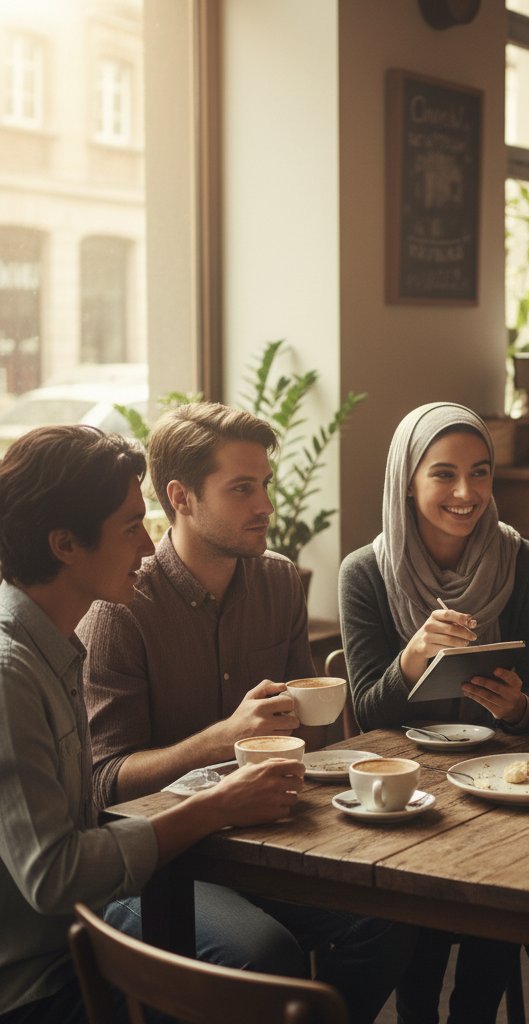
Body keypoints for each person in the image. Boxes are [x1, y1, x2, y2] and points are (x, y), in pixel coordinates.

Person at [79, 403, 412, 1024]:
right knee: (266, 956)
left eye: (265, 485)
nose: (265, 505)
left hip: (266, 841)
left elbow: (304, 742)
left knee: (392, 915)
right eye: (241, 489)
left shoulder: (280, 582)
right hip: (156, 862)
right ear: (181, 496)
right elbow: (105, 783)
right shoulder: (121, 609)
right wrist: (221, 739)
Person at [0, 426, 306, 1024]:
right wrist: (215, 806)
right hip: (44, 983)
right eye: (130, 527)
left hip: (86, 930)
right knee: (268, 980)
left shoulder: (54, 647)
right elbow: (55, 877)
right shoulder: (12, 674)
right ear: (64, 544)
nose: (148, 545)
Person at [339, 401, 529, 1024]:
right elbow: (368, 714)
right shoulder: (366, 574)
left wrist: (516, 706)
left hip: (499, 780)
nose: (467, 493)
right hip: (408, 783)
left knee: (502, 878)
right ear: (407, 479)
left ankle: (472, 1015)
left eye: (481, 472)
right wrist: (411, 660)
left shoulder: (527, 565)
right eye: (443, 474)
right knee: (423, 889)